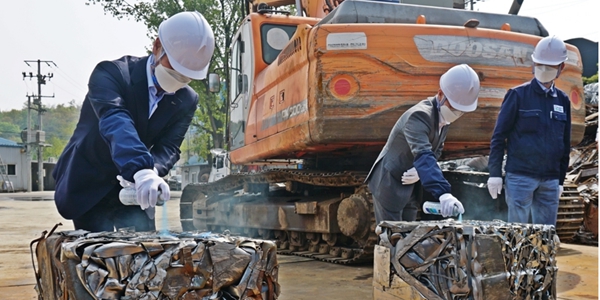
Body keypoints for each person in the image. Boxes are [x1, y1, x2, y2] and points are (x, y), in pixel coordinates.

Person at [52, 11, 215, 232]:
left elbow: (169, 146)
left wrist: (153, 172)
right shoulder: (111, 74)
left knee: (143, 255)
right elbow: (116, 121)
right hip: (90, 182)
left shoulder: (186, 99)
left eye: (186, 76)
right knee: (97, 258)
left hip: (135, 189)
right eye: (173, 69)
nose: (179, 79)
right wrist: (140, 168)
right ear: (157, 47)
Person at [366, 64, 480, 223]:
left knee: (411, 239)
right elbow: (423, 154)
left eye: (461, 110)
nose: (457, 114)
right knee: (391, 240)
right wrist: (443, 193)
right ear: (441, 94)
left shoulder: (443, 119)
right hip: (389, 183)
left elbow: (436, 151)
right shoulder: (419, 116)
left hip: (409, 186)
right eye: (454, 107)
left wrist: (420, 172)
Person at [487, 36, 571, 226]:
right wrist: (494, 173)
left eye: (549, 66)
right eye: (540, 64)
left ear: (561, 68)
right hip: (520, 177)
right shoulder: (517, 95)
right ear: (533, 63)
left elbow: (565, 143)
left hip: (550, 180)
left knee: (545, 238)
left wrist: (560, 180)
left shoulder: (562, 101)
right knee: (518, 236)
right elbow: (499, 137)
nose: (543, 70)